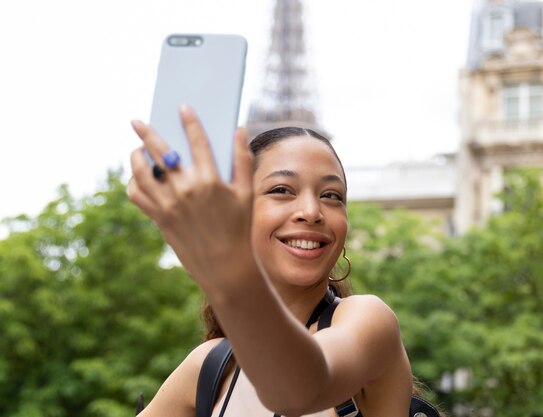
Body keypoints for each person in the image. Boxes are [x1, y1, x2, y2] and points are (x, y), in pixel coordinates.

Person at [127, 105, 420, 416]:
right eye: (281, 190)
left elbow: (298, 391)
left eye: (332, 195)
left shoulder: (369, 322)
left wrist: (228, 269)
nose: (311, 211)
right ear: (241, 211)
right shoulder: (210, 367)